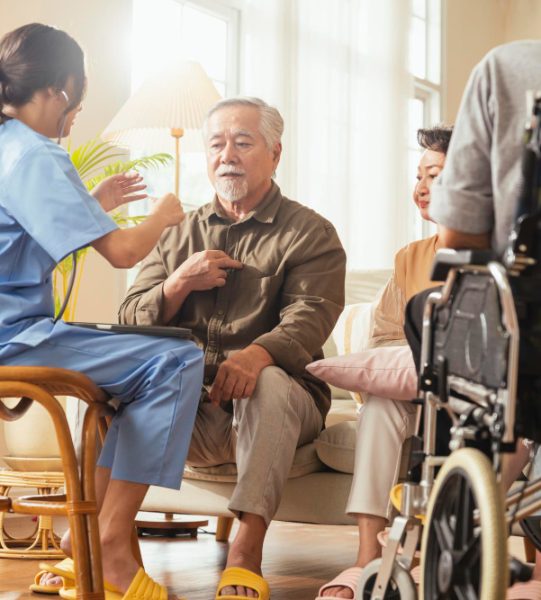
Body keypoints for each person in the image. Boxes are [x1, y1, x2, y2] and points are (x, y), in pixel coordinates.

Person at [0, 23, 204, 599]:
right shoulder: (39, 153)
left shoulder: (7, 146)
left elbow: (22, 234)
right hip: (14, 336)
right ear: (60, 90)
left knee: (141, 371)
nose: (73, 121)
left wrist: (95, 203)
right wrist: (162, 217)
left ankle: (87, 536)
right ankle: (110, 540)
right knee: (178, 360)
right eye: (76, 106)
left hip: (14, 329)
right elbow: (122, 252)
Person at [119, 96, 346, 599]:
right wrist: (176, 284)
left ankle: (245, 553)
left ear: (275, 153)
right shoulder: (176, 233)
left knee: (266, 378)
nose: (228, 155)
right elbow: (130, 315)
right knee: (113, 375)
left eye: (244, 143)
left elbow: (311, 317)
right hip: (191, 411)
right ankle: (107, 549)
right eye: (217, 144)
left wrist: (256, 354)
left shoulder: (311, 233)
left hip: (278, 405)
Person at [403, 41, 541, 599]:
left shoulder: (511, 68)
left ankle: (495, 474)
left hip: (527, 332)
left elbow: (458, 235)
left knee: (430, 311)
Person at [318, 125, 453, 599]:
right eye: (418, 175)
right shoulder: (410, 259)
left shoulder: (501, 256)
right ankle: (365, 558)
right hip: (419, 396)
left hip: (481, 401)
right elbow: (384, 338)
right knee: (378, 406)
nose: (420, 187)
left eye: (434, 175)